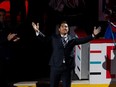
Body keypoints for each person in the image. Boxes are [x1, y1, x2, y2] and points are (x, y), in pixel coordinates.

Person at [32, 20, 101, 87]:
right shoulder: (54, 38)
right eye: (62, 26)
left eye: (66, 26)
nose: (64, 28)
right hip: (55, 67)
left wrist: (93, 35)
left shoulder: (72, 39)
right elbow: (44, 39)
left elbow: (82, 40)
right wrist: (37, 31)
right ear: (59, 29)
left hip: (67, 68)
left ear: (68, 29)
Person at [0, 8, 20, 87]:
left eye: (4, 15)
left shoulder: (6, 26)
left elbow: (10, 35)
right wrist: (7, 39)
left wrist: (13, 39)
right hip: (1, 54)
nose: (2, 17)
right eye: (0, 15)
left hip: (6, 54)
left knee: (6, 76)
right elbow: (5, 38)